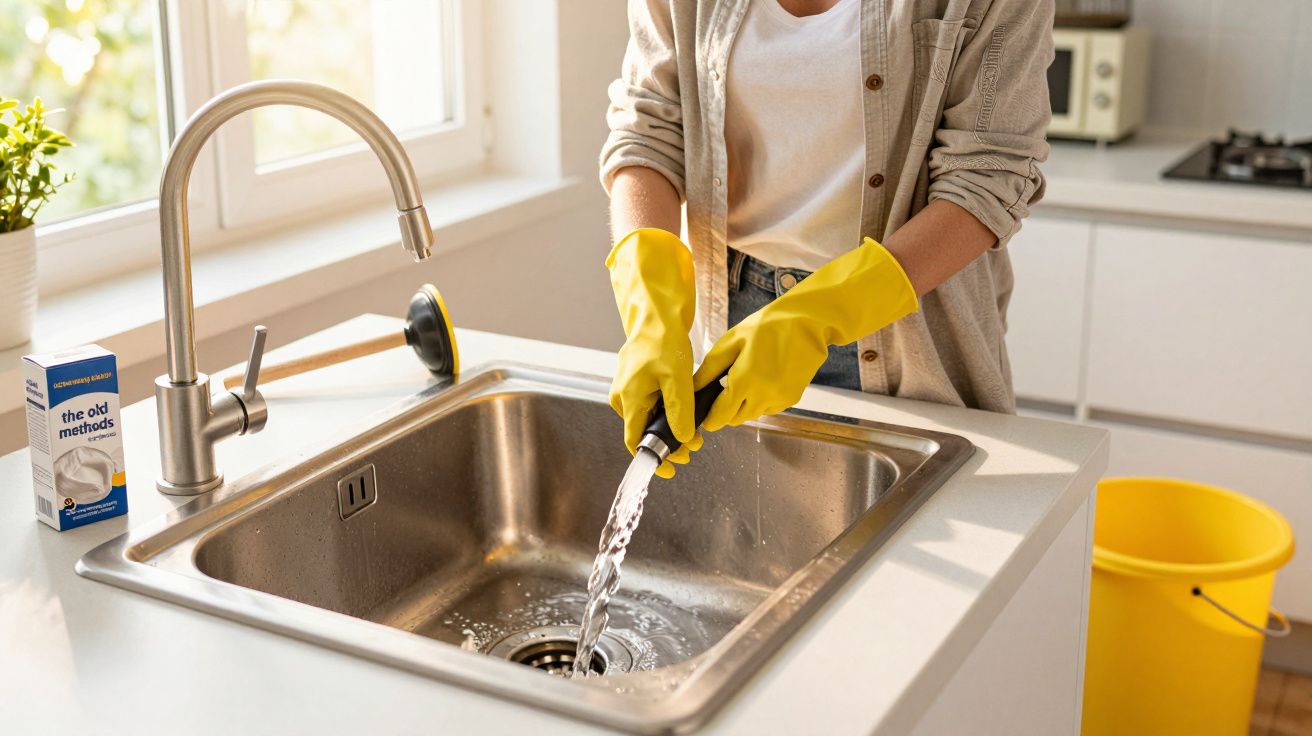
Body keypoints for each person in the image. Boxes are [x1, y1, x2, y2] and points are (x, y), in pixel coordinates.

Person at [602, 0, 1053, 477]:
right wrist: (650, 307)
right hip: (727, 319)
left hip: (914, 332)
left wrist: (820, 316)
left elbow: (986, 177)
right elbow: (648, 129)